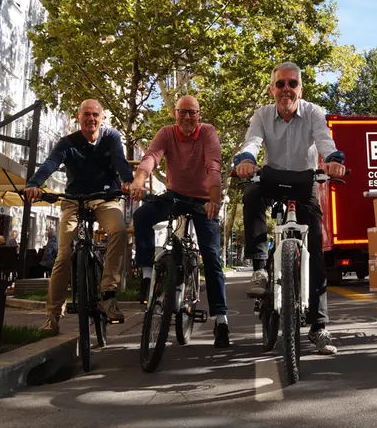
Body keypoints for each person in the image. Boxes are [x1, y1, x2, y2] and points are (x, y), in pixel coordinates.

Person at [234, 62, 347, 355]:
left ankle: (319, 327)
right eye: (280, 84)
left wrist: (334, 159)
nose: (286, 89)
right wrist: (244, 160)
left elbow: (324, 140)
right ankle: (260, 268)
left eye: (292, 84)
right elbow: (252, 142)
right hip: (271, 178)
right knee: (252, 193)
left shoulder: (313, 112)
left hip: (304, 181)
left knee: (317, 253)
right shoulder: (262, 114)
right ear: (272, 89)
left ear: (301, 89)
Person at [128, 95, 230, 348]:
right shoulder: (166, 133)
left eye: (192, 113)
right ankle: (148, 277)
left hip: (204, 199)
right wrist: (138, 183)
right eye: (182, 112)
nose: (187, 117)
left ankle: (222, 320)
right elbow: (151, 157)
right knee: (141, 216)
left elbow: (214, 166)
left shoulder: (207, 132)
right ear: (174, 114)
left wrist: (214, 201)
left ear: (199, 115)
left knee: (212, 256)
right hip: (175, 196)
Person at [24, 99, 134, 334]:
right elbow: (50, 163)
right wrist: (34, 183)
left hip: (105, 197)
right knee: (63, 255)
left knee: (119, 230)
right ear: (78, 117)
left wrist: (129, 182)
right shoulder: (67, 143)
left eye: (95, 114)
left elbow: (120, 162)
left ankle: (108, 293)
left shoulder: (112, 138)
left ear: (102, 118)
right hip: (74, 200)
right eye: (86, 114)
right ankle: (52, 317)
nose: (91, 118)